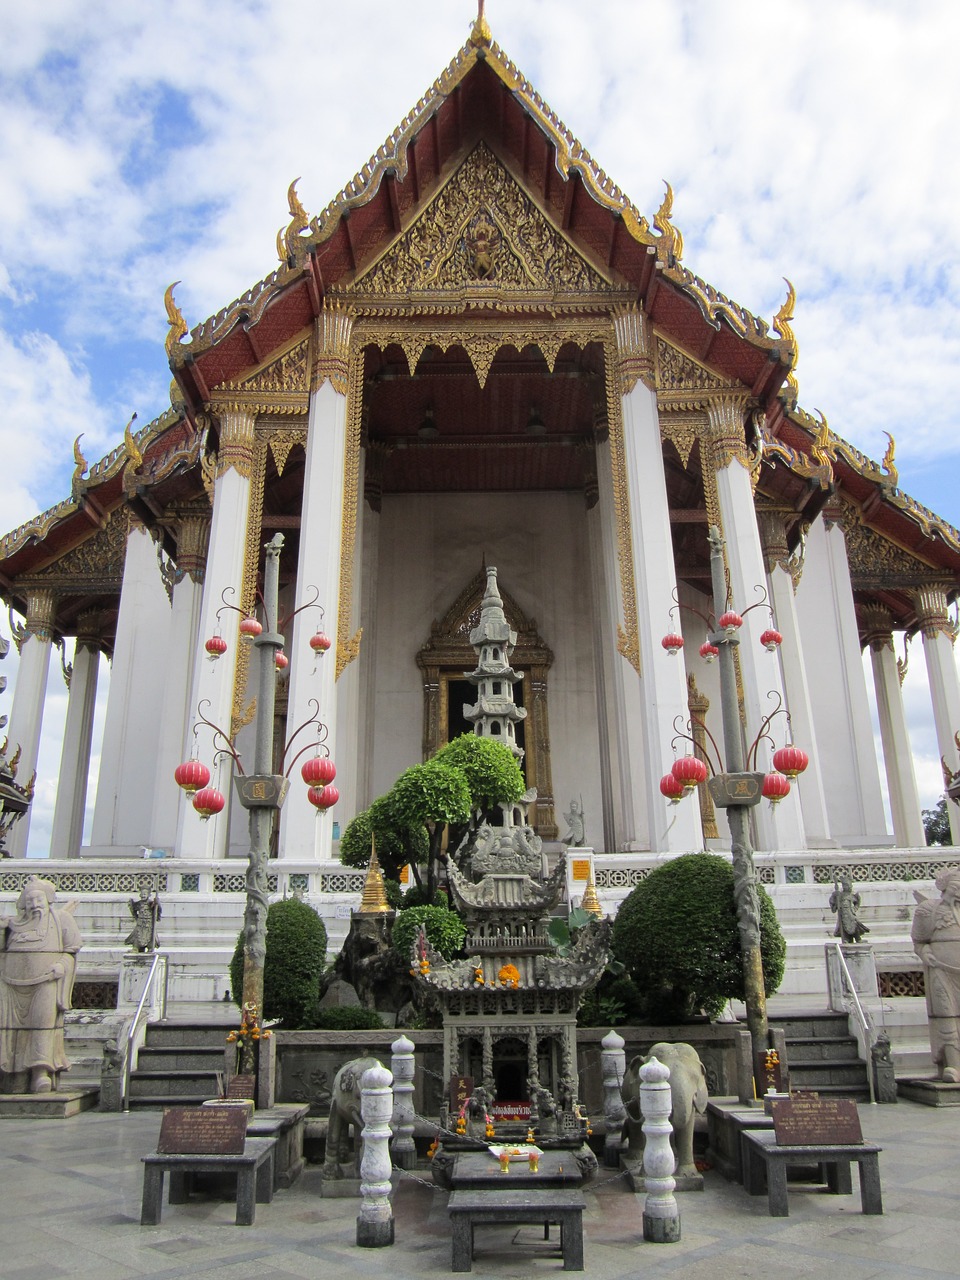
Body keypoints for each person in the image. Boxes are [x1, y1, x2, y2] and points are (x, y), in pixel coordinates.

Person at [0, 877, 82, 1093]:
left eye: (38, 899)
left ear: (47, 900)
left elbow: (71, 950)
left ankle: (40, 1073)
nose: (34, 904)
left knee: (43, 1027)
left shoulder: (61, 919)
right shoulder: (13, 925)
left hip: (46, 982)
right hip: (12, 985)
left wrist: (62, 966)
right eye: (30, 900)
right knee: (12, 1031)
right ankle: (16, 1074)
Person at [912, 868, 960, 1083]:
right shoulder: (928, 910)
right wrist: (925, 952)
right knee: (946, 1014)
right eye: (956, 887)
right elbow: (920, 941)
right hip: (942, 970)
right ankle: (953, 1065)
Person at [125, 887, 161, 951]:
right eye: (142, 894)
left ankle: (150, 947)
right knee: (138, 934)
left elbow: (157, 911)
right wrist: (131, 905)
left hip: (149, 923)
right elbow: (134, 909)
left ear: (148, 895)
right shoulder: (139, 903)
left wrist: (158, 904)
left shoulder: (151, 903)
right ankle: (136, 947)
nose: (143, 896)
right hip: (140, 923)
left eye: (145, 894)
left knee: (150, 935)